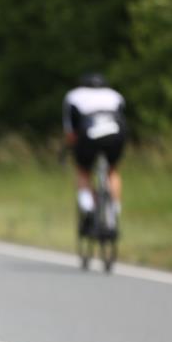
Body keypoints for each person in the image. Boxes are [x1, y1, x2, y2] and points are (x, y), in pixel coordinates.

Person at [62, 72, 126, 232]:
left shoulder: (73, 96)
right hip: (115, 132)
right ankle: (114, 210)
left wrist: (68, 149)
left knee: (83, 171)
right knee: (112, 170)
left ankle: (88, 207)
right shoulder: (115, 95)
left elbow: (71, 132)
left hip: (88, 132)